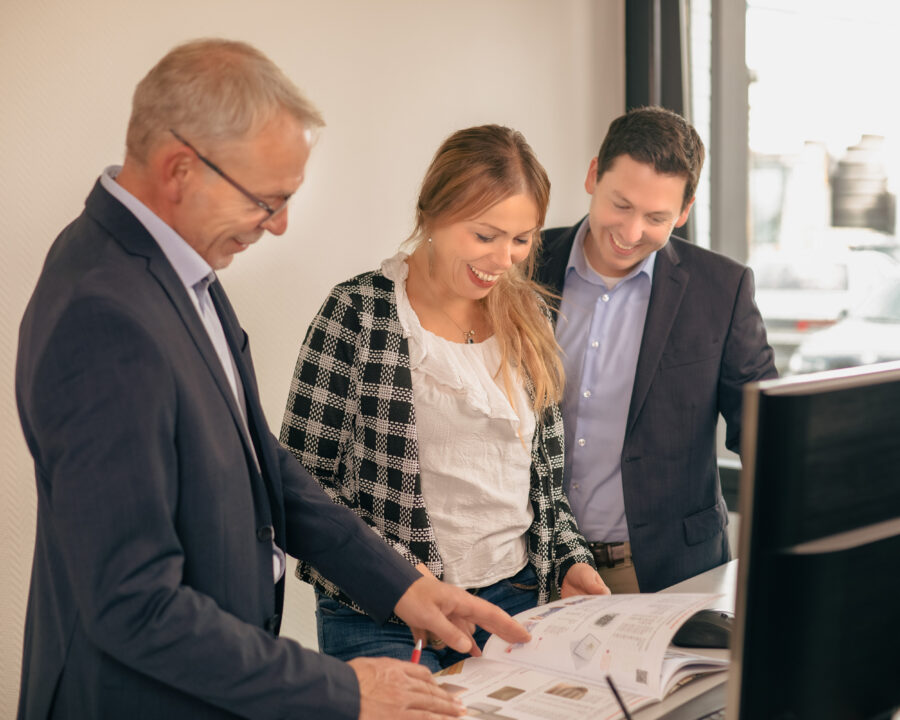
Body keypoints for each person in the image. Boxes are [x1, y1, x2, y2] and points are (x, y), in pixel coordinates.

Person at [14, 39, 530, 720]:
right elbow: (133, 604)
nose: (281, 226)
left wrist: (404, 586)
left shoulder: (176, 263)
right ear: (179, 170)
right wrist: (344, 689)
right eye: (267, 201)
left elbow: (265, 465)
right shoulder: (105, 314)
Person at [280, 124, 609, 672]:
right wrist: (401, 580)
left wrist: (570, 558)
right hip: (380, 614)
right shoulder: (358, 313)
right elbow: (300, 488)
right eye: (485, 236)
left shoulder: (528, 318)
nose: (504, 258)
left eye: (522, 239)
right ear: (431, 215)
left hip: (516, 599)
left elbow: (544, 486)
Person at [536, 106, 777, 594]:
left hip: (666, 570)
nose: (629, 233)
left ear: (684, 212)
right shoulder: (526, 264)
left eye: (656, 217)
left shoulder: (722, 289)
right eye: (620, 205)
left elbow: (763, 428)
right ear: (592, 176)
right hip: (534, 565)